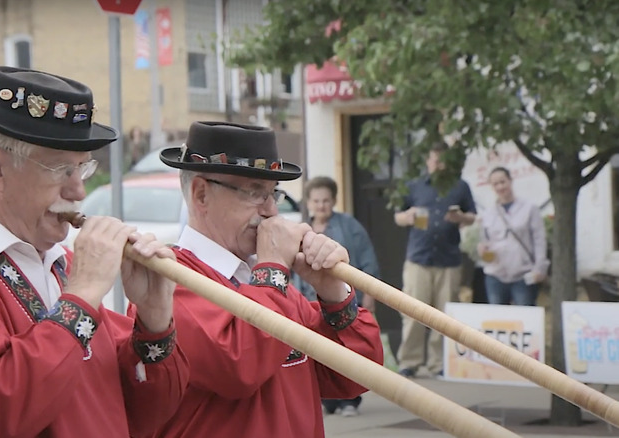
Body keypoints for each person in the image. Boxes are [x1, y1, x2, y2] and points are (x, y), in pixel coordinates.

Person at [0, 66, 189, 437]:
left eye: (81, 169)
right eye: (59, 168)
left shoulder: (59, 265)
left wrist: (153, 322)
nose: (78, 192)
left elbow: (145, 417)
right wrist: (84, 294)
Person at [132, 121, 384, 437]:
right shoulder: (170, 282)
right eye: (254, 193)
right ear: (201, 194)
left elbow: (357, 375)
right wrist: (274, 268)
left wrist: (333, 291)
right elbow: (239, 368)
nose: (270, 211)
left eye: (272, 194)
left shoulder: (270, 286)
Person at [292, 175, 380, 417]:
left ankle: (350, 400)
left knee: (347, 346)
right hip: (307, 301)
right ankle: (327, 400)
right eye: (316, 201)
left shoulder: (350, 226)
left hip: (342, 298)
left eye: (326, 201)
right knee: (318, 350)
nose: (321, 206)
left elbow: (368, 260)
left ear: (334, 201)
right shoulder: (300, 229)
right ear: (308, 202)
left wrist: (370, 296)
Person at [393, 143, 476, 378]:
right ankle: (409, 361)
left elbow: (472, 216)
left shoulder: (460, 187)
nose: (438, 165)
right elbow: (397, 216)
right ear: (427, 161)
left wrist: (460, 217)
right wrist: (407, 217)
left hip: (448, 258)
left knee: (444, 315)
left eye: (442, 161)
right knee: (412, 312)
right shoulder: (415, 186)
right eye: (434, 160)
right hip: (418, 257)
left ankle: (438, 364)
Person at [478, 167, 548, 305]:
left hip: (522, 274)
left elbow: (539, 239)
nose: (500, 187)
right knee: (497, 322)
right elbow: (484, 240)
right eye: (495, 184)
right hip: (495, 274)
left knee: (525, 320)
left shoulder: (529, 208)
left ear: (510, 181)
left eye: (502, 182)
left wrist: (540, 267)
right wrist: (481, 248)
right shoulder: (488, 213)